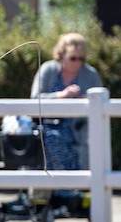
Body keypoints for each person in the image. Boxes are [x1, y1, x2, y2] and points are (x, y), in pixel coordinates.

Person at [31, 32, 103, 171]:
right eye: (73, 58)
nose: (78, 62)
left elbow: (100, 102)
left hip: (78, 127)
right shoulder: (47, 70)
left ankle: (69, 189)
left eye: (81, 59)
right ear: (61, 54)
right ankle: (59, 188)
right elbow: (35, 99)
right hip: (47, 125)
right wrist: (61, 95)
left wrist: (85, 100)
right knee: (54, 137)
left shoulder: (91, 74)